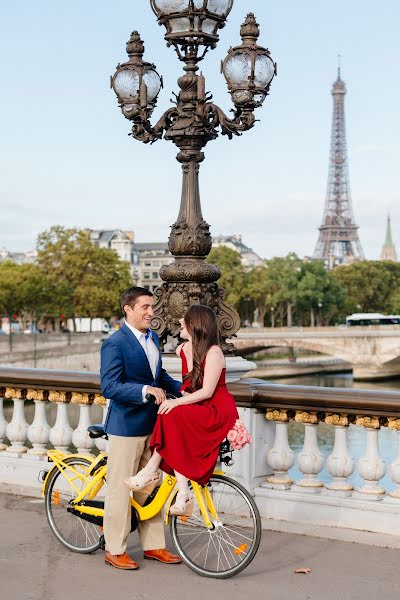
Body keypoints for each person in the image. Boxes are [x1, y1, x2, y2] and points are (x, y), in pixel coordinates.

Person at [126, 304, 239, 517]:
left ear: (195, 325)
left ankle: (152, 471)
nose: (179, 323)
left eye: (184, 320)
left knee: (172, 413)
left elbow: (206, 392)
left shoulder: (214, 352)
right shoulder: (183, 350)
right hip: (200, 407)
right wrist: (176, 399)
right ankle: (182, 493)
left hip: (216, 409)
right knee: (171, 419)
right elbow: (188, 387)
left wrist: (177, 402)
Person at [100, 286, 182, 571]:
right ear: (128, 309)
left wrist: (188, 391)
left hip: (152, 423)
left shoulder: (153, 338)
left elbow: (159, 376)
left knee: (150, 486)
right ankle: (114, 548)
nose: (151, 312)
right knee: (120, 491)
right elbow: (109, 386)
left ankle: (154, 545)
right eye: (145, 307)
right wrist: (144, 389)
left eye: (152, 306)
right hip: (125, 427)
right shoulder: (115, 343)